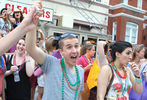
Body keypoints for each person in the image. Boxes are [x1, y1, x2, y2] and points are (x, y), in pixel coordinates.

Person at [26, 30, 84, 100]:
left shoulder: (80, 71)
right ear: (61, 52)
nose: (74, 51)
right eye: (69, 47)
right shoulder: (51, 63)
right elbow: (30, 48)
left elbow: (78, 95)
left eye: (76, 46)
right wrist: (32, 26)